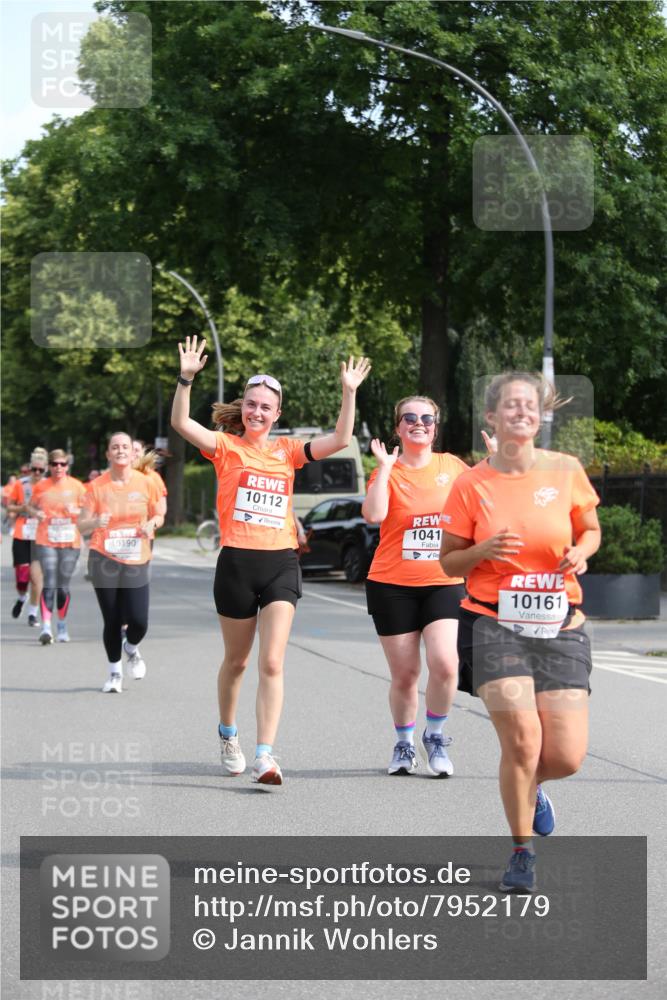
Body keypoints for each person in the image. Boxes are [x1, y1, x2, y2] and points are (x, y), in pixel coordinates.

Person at [171, 335, 370, 787]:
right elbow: (181, 422)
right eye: (252, 405)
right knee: (237, 662)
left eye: (266, 407)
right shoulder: (224, 446)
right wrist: (186, 379)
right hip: (237, 565)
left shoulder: (288, 452)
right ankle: (228, 734)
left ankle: (265, 755)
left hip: (280, 561)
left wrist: (349, 391)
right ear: (243, 408)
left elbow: (341, 438)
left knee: (273, 662)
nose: (257, 412)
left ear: (277, 414)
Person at [440, 372, 601, 892]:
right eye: (511, 405)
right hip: (493, 623)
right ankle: (521, 852)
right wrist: (481, 551)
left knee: (565, 757)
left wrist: (582, 552)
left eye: (530, 405)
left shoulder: (566, 469)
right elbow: (448, 563)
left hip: (560, 625)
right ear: (491, 416)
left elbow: (591, 529)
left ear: (541, 415)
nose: (522, 412)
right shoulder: (471, 484)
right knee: (523, 741)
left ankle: (531, 788)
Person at [362, 397, 469, 778]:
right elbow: (374, 514)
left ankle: (435, 736)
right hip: (392, 584)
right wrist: (385, 469)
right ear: (398, 427)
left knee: (446, 663)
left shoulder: (452, 466)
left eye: (427, 418)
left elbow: (484, 499)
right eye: (409, 417)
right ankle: (404, 743)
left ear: (435, 427)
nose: (418, 423)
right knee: (406, 675)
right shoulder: (387, 471)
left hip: (444, 582)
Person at [78, 432, 164, 693]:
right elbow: (81, 524)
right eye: (115, 447)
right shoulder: (96, 487)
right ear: (108, 454)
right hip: (103, 558)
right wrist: (95, 522)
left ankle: (131, 647)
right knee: (113, 619)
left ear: (131, 452)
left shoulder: (146, 482)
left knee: (139, 620)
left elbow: (159, 513)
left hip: (136, 557)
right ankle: (114, 673)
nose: (120, 451)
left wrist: (152, 523)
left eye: (125, 446)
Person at [29, 449, 87, 645]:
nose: (59, 467)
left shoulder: (77, 486)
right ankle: (46, 628)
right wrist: (36, 513)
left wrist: (76, 511)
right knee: (50, 582)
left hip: (70, 541)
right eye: (55, 464)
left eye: (63, 464)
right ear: (49, 466)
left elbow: (89, 512)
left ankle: (61, 624)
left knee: (62, 586)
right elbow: (29, 506)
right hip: (46, 539)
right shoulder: (41, 486)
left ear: (67, 466)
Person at [6, 448, 48, 626]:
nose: (37, 473)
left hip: (41, 535)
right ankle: (22, 597)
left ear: (45, 470)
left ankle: (33, 613)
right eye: (34, 469)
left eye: (41, 470)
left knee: (36, 578)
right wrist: (22, 508)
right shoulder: (20, 485)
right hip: (22, 533)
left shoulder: (49, 485)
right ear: (30, 468)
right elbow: (10, 506)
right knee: (22, 577)